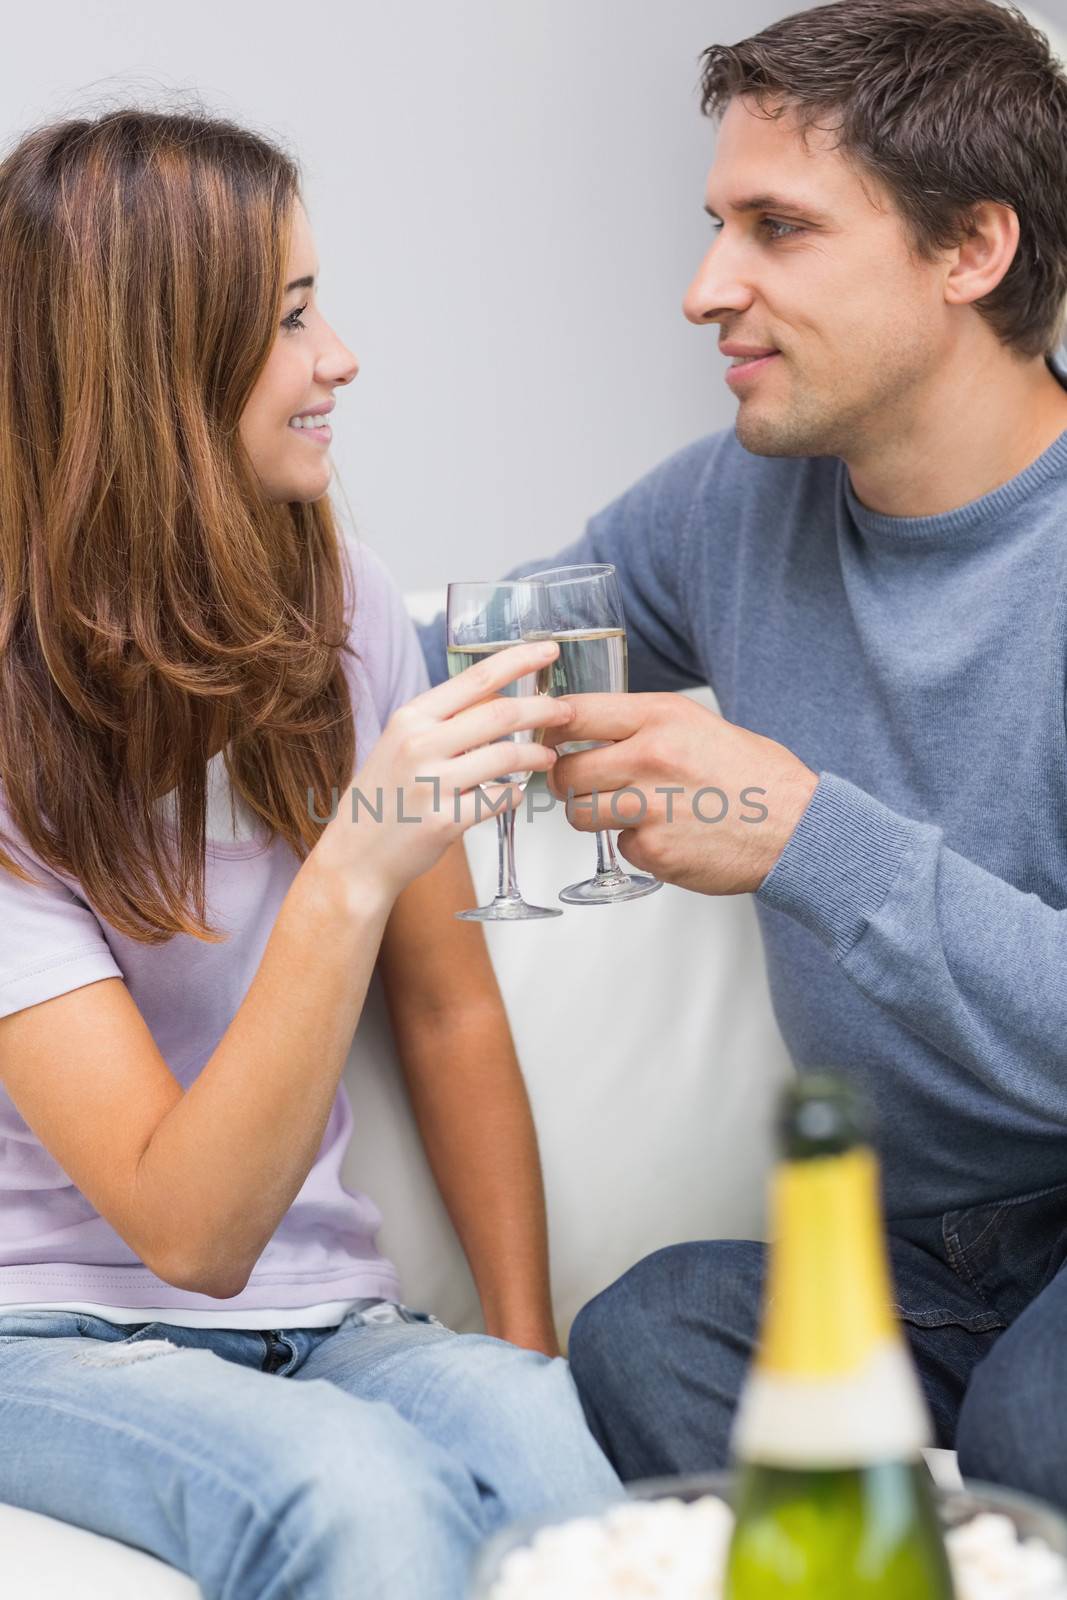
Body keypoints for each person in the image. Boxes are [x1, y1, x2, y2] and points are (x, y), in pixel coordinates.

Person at [418, 0, 1067, 1512]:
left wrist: (803, 836)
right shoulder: (737, 503)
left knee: (1044, 1427)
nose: (707, 289)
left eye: (778, 228)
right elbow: (465, 656)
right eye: (718, 225)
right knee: (651, 1337)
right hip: (921, 1257)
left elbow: (812, 841)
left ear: (971, 249)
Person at [0, 109, 618, 1600]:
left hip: (334, 1311)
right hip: (41, 1332)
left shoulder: (340, 602)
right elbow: (190, 1232)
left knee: (550, 1459)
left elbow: (450, 1009)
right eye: (289, 318)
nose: (340, 355)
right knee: (359, 1494)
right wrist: (352, 862)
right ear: (162, 362)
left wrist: (517, 1348)